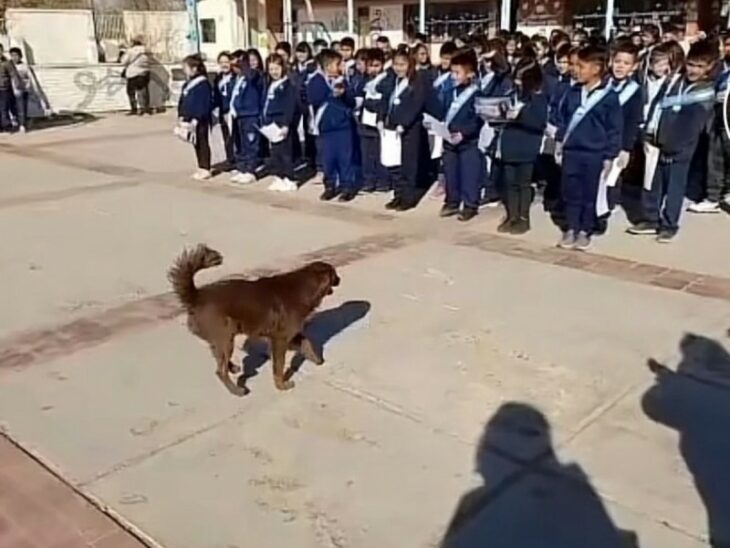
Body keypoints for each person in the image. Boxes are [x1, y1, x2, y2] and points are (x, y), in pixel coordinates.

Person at [629, 40, 716, 243]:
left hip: (679, 149)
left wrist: (673, 146)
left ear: (710, 67)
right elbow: (658, 104)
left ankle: (669, 224)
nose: (693, 70)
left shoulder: (704, 92)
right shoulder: (674, 80)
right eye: (691, 64)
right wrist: (648, 130)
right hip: (656, 140)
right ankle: (650, 218)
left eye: (700, 66)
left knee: (674, 187)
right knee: (652, 181)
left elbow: (691, 126)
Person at [555, 45, 622, 250]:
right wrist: (559, 141)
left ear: (596, 68)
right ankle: (571, 227)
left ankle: (585, 229)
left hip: (594, 153)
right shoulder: (572, 93)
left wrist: (610, 156)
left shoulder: (609, 97)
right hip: (571, 151)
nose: (576, 70)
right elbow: (563, 119)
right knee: (570, 192)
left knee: (589, 194)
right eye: (574, 65)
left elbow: (614, 129)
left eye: (581, 66)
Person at [496, 59, 548, 234]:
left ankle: (523, 218)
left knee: (523, 183)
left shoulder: (538, 97)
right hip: (509, 143)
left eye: (521, 78)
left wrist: (520, 115)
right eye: (515, 77)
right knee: (509, 182)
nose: (517, 82)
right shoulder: (511, 94)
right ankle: (512, 215)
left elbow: (539, 122)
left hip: (527, 145)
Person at [439, 48, 484, 222]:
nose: (453, 76)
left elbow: (478, 120)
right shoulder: (449, 92)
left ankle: (470, 205)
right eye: (452, 72)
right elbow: (443, 112)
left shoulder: (476, 93)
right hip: (449, 139)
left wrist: (464, 133)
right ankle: (452, 201)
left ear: (470, 73)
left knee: (469, 174)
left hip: (468, 142)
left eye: (457, 73)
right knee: (451, 173)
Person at [382, 47, 428, 211]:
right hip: (392, 129)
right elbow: (386, 101)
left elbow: (416, 105)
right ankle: (398, 194)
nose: (398, 68)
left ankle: (408, 198)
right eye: (396, 64)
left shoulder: (416, 82)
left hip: (409, 130)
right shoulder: (393, 81)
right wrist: (382, 119)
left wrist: (404, 123)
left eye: (402, 65)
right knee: (395, 165)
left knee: (408, 164)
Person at [689, 32, 730, 213]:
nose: (724, 49)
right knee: (715, 160)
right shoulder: (723, 73)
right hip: (719, 122)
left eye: (728, 45)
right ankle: (713, 196)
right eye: (724, 45)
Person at [313, 49, 358, 202]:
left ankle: (347, 187)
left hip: (343, 127)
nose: (340, 66)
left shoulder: (343, 81)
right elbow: (313, 98)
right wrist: (330, 93)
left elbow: (351, 102)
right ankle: (330, 186)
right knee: (328, 159)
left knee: (345, 159)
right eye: (336, 64)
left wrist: (344, 94)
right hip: (326, 128)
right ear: (327, 65)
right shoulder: (317, 81)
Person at [262, 53, 298, 192]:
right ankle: (279, 176)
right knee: (275, 152)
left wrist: (285, 124)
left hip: (281, 123)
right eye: (271, 69)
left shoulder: (288, 85)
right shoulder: (270, 84)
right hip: (270, 123)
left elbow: (290, 106)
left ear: (282, 68)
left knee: (285, 152)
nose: (274, 72)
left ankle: (289, 178)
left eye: (276, 68)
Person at [359, 48, 391, 192]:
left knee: (380, 152)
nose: (373, 69)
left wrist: (369, 103)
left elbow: (383, 102)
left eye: (377, 65)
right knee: (367, 153)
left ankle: (383, 181)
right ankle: (368, 180)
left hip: (378, 121)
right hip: (365, 121)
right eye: (371, 65)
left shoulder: (386, 80)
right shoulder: (364, 80)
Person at [177, 54, 213, 180]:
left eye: (186, 67)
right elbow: (183, 100)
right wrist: (181, 115)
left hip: (199, 119)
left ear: (194, 68)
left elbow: (204, 103)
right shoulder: (188, 84)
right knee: (195, 143)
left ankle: (205, 167)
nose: (184, 70)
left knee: (202, 142)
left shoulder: (203, 84)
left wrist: (197, 117)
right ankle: (200, 166)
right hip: (188, 119)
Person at [229, 55, 263, 185]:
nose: (235, 69)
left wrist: (245, 65)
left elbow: (252, 76)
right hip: (240, 115)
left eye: (237, 65)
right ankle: (242, 168)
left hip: (251, 114)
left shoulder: (253, 76)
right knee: (241, 143)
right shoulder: (239, 79)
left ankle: (250, 170)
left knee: (251, 143)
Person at [213, 51, 235, 166]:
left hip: (233, 111)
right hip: (222, 111)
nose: (224, 65)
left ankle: (238, 160)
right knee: (226, 136)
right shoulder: (218, 78)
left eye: (226, 62)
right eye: (221, 62)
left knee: (235, 137)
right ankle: (230, 158)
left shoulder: (235, 77)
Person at [121, 36, 152, 116]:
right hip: (145, 73)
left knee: (131, 92)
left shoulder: (131, 51)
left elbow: (124, 61)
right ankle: (145, 109)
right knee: (143, 91)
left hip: (133, 74)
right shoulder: (147, 51)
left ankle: (134, 109)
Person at [0, 44, 20, 134]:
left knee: (4, 108)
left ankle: (7, 125)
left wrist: (17, 85)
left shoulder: (7, 63)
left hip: (5, 88)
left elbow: (14, 74)